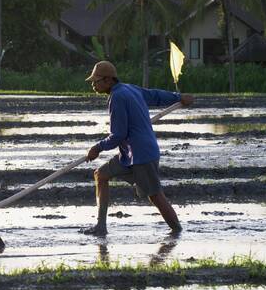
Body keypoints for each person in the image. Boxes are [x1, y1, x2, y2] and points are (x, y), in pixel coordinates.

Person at [81, 61, 194, 236]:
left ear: (109, 80)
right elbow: (155, 95)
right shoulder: (129, 89)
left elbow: (118, 134)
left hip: (142, 155)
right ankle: (100, 226)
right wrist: (177, 97)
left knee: (155, 196)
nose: (93, 85)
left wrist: (97, 147)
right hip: (128, 154)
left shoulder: (118, 97)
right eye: (93, 82)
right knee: (101, 175)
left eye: (97, 81)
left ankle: (177, 230)